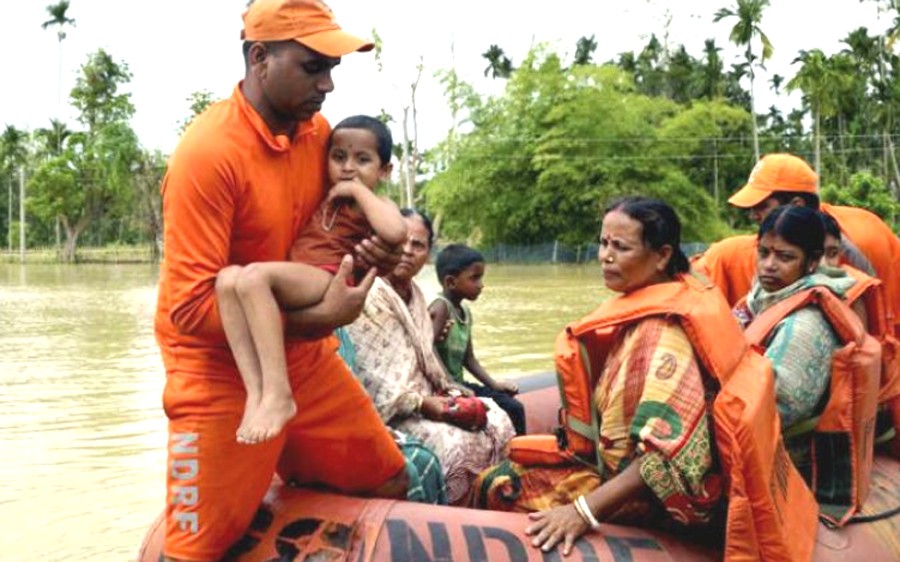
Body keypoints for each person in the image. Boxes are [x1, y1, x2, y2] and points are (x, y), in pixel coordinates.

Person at [154, 2, 408, 560]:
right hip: (221, 369)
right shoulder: (208, 154)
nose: (329, 84)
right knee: (190, 552)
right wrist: (324, 317)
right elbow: (190, 309)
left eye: (333, 68)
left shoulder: (319, 135)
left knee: (390, 482)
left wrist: (378, 258)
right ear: (260, 57)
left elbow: (343, 228)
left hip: (306, 360)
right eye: (314, 67)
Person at [471, 197, 725, 554]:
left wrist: (582, 512)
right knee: (504, 472)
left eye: (620, 247)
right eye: (604, 243)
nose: (605, 255)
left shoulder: (665, 335)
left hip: (650, 499)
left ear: (663, 256)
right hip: (611, 467)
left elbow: (662, 461)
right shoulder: (647, 304)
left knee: (495, 487)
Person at [216, 114, 406, 445]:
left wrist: (357, 192)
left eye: (362, 160)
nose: (348, 167)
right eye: (339, 157)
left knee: (253, 278)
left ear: (384, 171)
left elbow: (396, 231)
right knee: (227, 279)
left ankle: (278, 392)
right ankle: (256, 392)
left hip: (328, 276)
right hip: (304, 273)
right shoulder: (323, 190)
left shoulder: (375, 202)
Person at [346, 209, 516, 504]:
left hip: (427, 396)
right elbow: (372, 377)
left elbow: (425, 357)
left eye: (418, 245)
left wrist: (448, 390)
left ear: (427, 254)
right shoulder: (369, 293)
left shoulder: (416, 295)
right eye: (401, 241)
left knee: (498, 419)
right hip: (393, 412)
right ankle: (453, 519)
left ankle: (493, 503)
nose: (407, 251)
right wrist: (424, 405)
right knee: (456, 444)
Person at [692, 152, 900, 340]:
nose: (754, 215)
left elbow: (871, 324)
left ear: (796, 205)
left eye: (762, 206)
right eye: (764, 253)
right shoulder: (748, 251)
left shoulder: (856, 240)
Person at [731, 206, 855, 479]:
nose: (769, 265)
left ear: (811, 262)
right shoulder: (763, 297)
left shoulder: (805, 325)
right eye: (763, 252)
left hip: (783, 453)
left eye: (785, 257)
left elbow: (777, 408)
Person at [334, 326, 449, 505]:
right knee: (411, 466)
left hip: (357, 423)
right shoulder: (311, 336)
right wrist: (418, 402)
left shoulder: (341, 333)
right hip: (336, 434)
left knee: (426, 460)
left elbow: (354, 397)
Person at [429, 244, 527, 435]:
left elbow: (469, 359)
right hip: (440, 389)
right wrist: (448, 382)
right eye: (474, 278)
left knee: (514, 407)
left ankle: (521, 455)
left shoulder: (465, 312)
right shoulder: (441, 308)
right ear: (450, 282)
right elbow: (427, 346)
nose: (481, 284)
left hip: (460, 384)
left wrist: (495, 385)